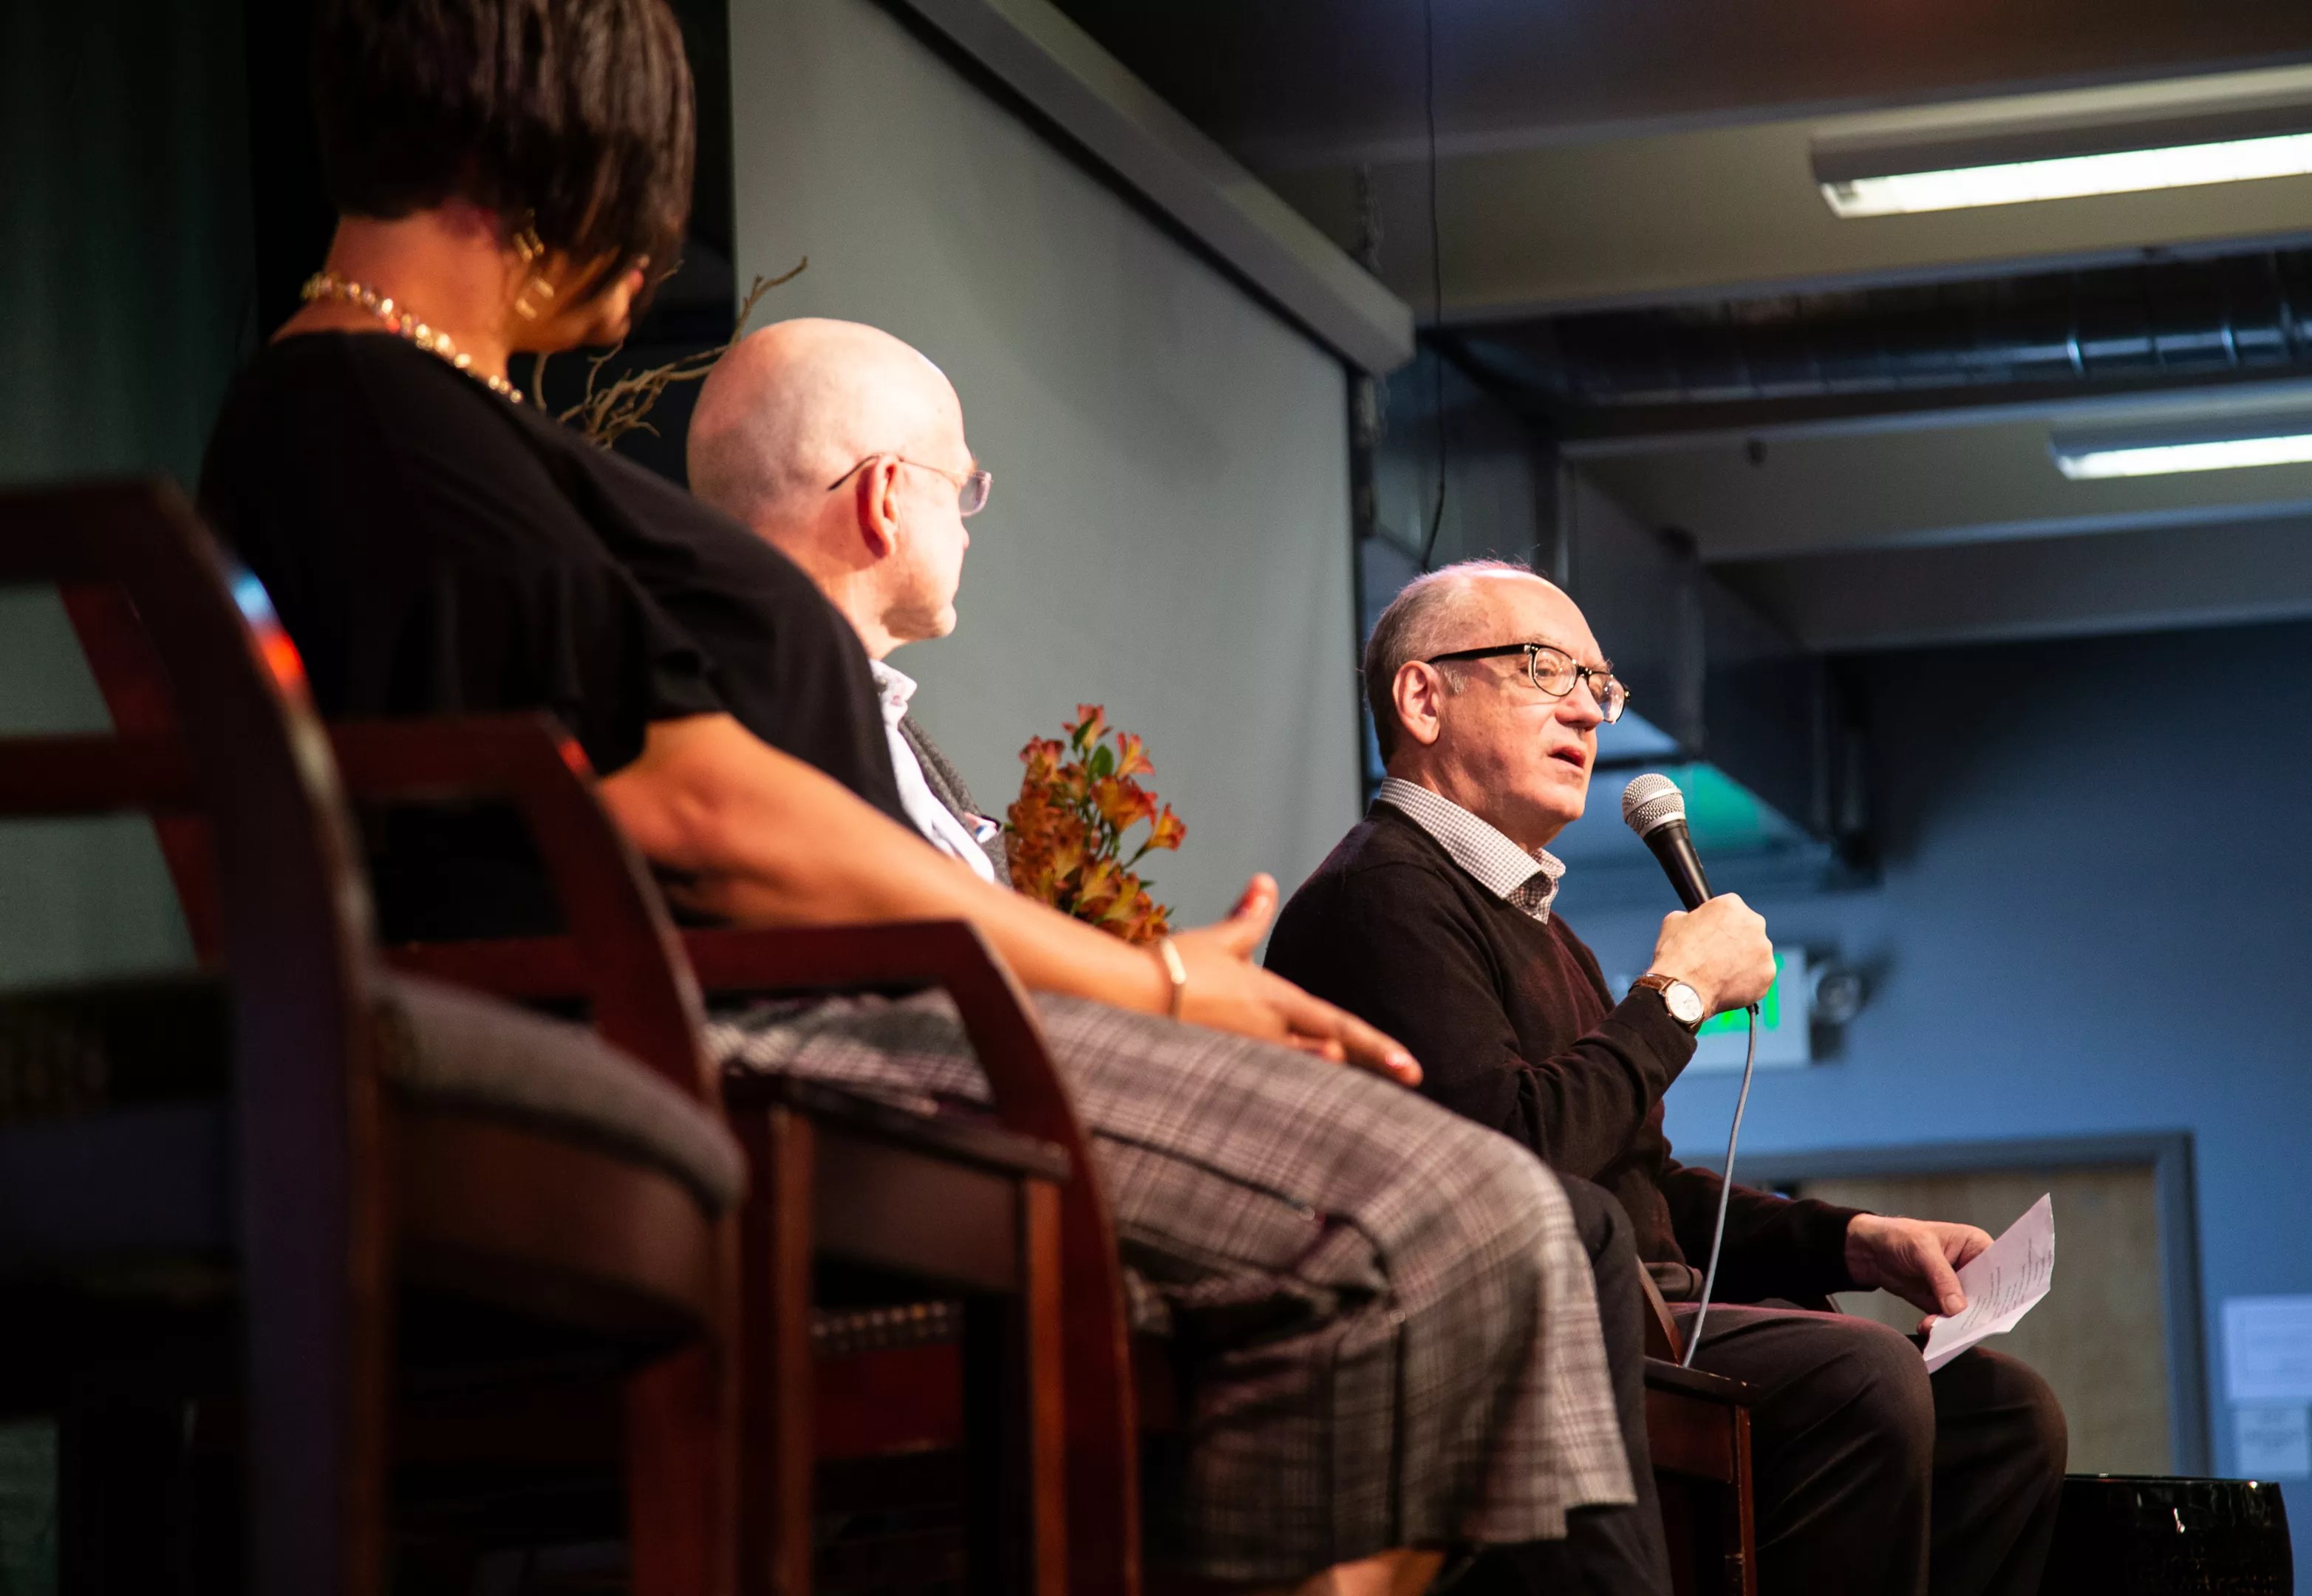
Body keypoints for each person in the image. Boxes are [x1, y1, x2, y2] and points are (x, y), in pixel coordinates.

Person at [195, 3, 1639, 1589]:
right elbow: (700, 811)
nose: (657, 229)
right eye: (650, 167)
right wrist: (1143, 977)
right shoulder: (370, 420)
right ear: (557, 133)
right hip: (743, 1040)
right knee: (1457, 1226)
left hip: (808, 1024)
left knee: (1491, 1227)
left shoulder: (422, 418)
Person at [1266, 560, 2068, 1596]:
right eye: (1540, 667)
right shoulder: (1381, 895)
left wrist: (1851, 1241)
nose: (1585, 712)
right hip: (1512, 1354)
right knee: (1862, 1380)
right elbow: (1512, 1165)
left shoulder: (1544, 933)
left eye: (1598, 686)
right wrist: (1676, 1000)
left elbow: (1637, 1188)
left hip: (1648, 1318)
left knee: (2003, 1417)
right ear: (1424, 697)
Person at [687, 318, 1006, 883]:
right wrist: (1166, 973)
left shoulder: (715, 703)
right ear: (884, 497)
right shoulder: (764, 738)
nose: (965, 533)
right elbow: (924, 947)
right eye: (959, 486)